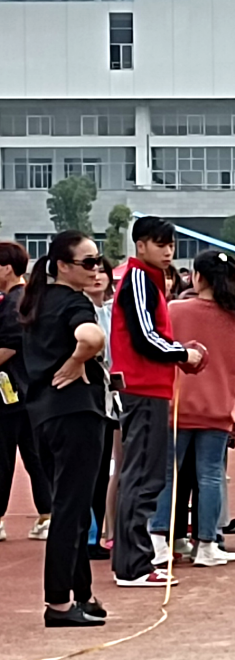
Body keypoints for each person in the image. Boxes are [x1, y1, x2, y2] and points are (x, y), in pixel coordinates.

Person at [17, 231, 110, 626]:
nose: (96, 269)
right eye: (87, 262)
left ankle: (82, 594)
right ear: (62, 266)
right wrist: (77, 361)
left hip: (43, 417)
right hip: (75, 414)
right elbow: (92, 337)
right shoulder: (73, 303)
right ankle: (58, 602)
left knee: (71, 506)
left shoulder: (37, 303)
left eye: (98, 261)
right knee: (72, 510)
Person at [110, 216, 203, 588]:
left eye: (171, 244)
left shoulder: (148, 280)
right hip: (143, 388)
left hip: (152, 387)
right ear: (140, 245)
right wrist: (183, 353)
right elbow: (146, 337)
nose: (167, 251)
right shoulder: (137, 280)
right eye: (159, 243)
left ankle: (132, 560)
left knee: (144, 476)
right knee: (143, 478)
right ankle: (133, 564)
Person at [151, 250, 235, 569]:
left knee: (168, 474)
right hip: (218, 407)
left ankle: (159, 540)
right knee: (210, 475)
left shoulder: (174, 310)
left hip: (177, 405)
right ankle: (207, 543)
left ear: (197, 277)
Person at [0, 241, 53, 544]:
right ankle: (47, 514)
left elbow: (9, 344)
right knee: (33, 455)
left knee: (5, 457)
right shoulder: (26, 298)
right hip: (27, 391)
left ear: (7, 267)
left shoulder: (14, 301)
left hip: (11, 391)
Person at [84, 258, 119, 560]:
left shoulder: (113, 313)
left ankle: (103, 532)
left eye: (102, 272)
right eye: (91, 271)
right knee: (90, 469)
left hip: (113, 399)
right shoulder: (79, 312)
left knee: (106, 466)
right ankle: (91, 534)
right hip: (89, 397)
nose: (97, 277)